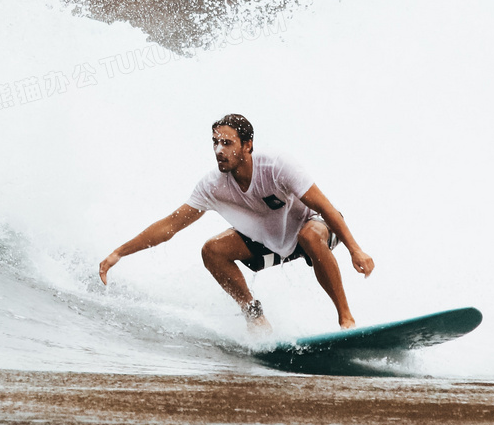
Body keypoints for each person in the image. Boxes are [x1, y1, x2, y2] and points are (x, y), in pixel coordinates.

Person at [99, 113, 374, 333]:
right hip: (273, 243)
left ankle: (345, 319)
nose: (219, 150)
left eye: (227, 143)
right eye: (215, 143)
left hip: (316, 226)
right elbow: (169, 225)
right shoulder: (213, 185)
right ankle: (254, 317)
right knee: (212, 250)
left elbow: (326, 208)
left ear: (248, 145)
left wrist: (355, 250)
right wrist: (118, 253)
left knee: (310, 236)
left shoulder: (277, 166)